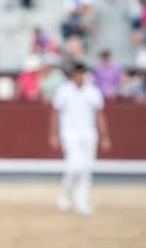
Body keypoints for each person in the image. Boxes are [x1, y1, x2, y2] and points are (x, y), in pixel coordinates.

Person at [48, 62, 111, 216]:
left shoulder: (93, 91)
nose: (80, 77)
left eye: (82, 74)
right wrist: (53, 134)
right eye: (77, 74)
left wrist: (104, 136)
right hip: (70, 133)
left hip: (89, 134)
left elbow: (99, 115)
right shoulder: (64, 91)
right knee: (75, 165)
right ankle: (65, 194)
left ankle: (81, 203)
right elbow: (55, 112)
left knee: (86, 169)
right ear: (73, 75)